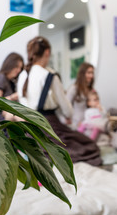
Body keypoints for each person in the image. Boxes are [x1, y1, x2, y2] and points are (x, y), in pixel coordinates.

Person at [17, 36, 102, 166]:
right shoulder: (50, 76)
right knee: (88, 146)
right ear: (47, 52)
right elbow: (67, 109)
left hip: (28, 128)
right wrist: (67, 116)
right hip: (48, 125)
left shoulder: (22, 75)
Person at [0, 52, 24, 121]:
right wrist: (12, 97)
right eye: (16, 67)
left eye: (20, 68)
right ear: (9, 65)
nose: (19, 70)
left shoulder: (11, 82)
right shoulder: (0, 79)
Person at [67, 62, 96, 128]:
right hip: (77, 125)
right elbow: (66, 108)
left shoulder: (91, 90)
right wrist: (72, 122)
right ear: (82, 74)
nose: (91, 76)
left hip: (89, 123)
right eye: (89, 73)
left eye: (92, 73)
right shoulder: (74, 88)